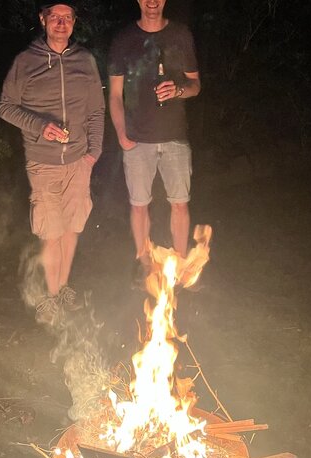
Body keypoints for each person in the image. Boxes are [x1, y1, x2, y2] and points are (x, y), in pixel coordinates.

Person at [0, 1, 105, 323]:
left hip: (79, 161)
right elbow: (5, 107)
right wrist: (39, 125)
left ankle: (62, 288)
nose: (61, 23)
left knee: (72, 228)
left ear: (74, 22)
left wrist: (93, 153)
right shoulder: (25, 61)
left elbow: (96, 110)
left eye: (67, 17)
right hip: (43, 163)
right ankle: (48, 295)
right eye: (55, 17)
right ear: (42, 19)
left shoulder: (85, 60)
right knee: (50, 231)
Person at [108, 0, 201, 286]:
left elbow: (195, 85)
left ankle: (180, 265)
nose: (152, 1)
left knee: (180, 204)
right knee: (139, 205)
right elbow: (115, 95)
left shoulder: (180, 35)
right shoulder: (124, 40)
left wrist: (178, 90)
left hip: (175, 136)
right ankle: (144, 263)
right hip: (137, 139)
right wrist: (122, 135)